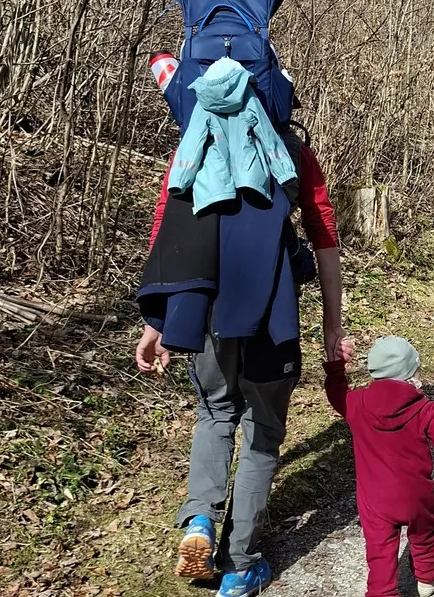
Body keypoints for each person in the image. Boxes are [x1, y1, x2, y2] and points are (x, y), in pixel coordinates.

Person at [135, 125, 351, 596]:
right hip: (273, 312)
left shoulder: (195, 143)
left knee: (214, 411)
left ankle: (199, 521)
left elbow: (166, 230)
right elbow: (324, 236)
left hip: (206, 308)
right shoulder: (294, 151)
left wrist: (159, 321)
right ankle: (239, 565)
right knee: (264, 430)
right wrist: (333, 326)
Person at [323, 336, 434, 597]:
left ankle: (382, 591)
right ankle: (428, 577)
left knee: (380, 550)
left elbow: (336, 394)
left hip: (374, 497)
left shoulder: (357, 403)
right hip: (415, 493)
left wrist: (336, 366)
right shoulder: (423, 408)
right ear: (410, 375)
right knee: (424, 532)